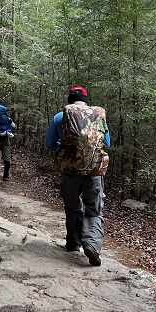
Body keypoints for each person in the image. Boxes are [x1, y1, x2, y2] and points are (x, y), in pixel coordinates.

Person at [45, 86, 110, 266]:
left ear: (70, 100)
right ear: (86, 100)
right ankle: (92, 245)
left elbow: (49, 144)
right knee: (94, 209)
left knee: (73, 206)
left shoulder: (60, 117)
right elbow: (107, 143)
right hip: (94, 171)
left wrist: (64, 147)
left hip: (70, 171)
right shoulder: (97, 116)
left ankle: (74, 243)